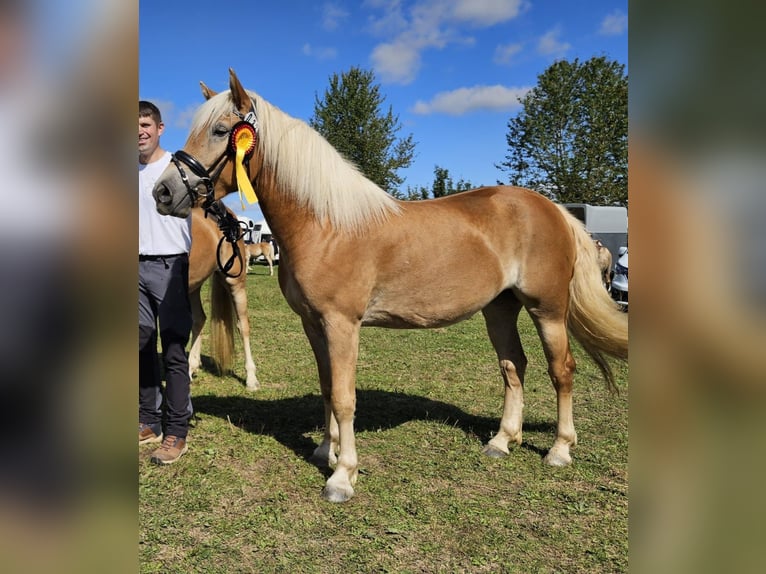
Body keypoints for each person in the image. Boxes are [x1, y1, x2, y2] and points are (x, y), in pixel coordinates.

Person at [139, 100, 193, 464]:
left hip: (170, 266)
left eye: (145, 124)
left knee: (173, 350)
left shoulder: (178, 167)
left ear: (160, 128)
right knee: (139, 346)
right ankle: (147, 420)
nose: (138, 131)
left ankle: (176, 431)